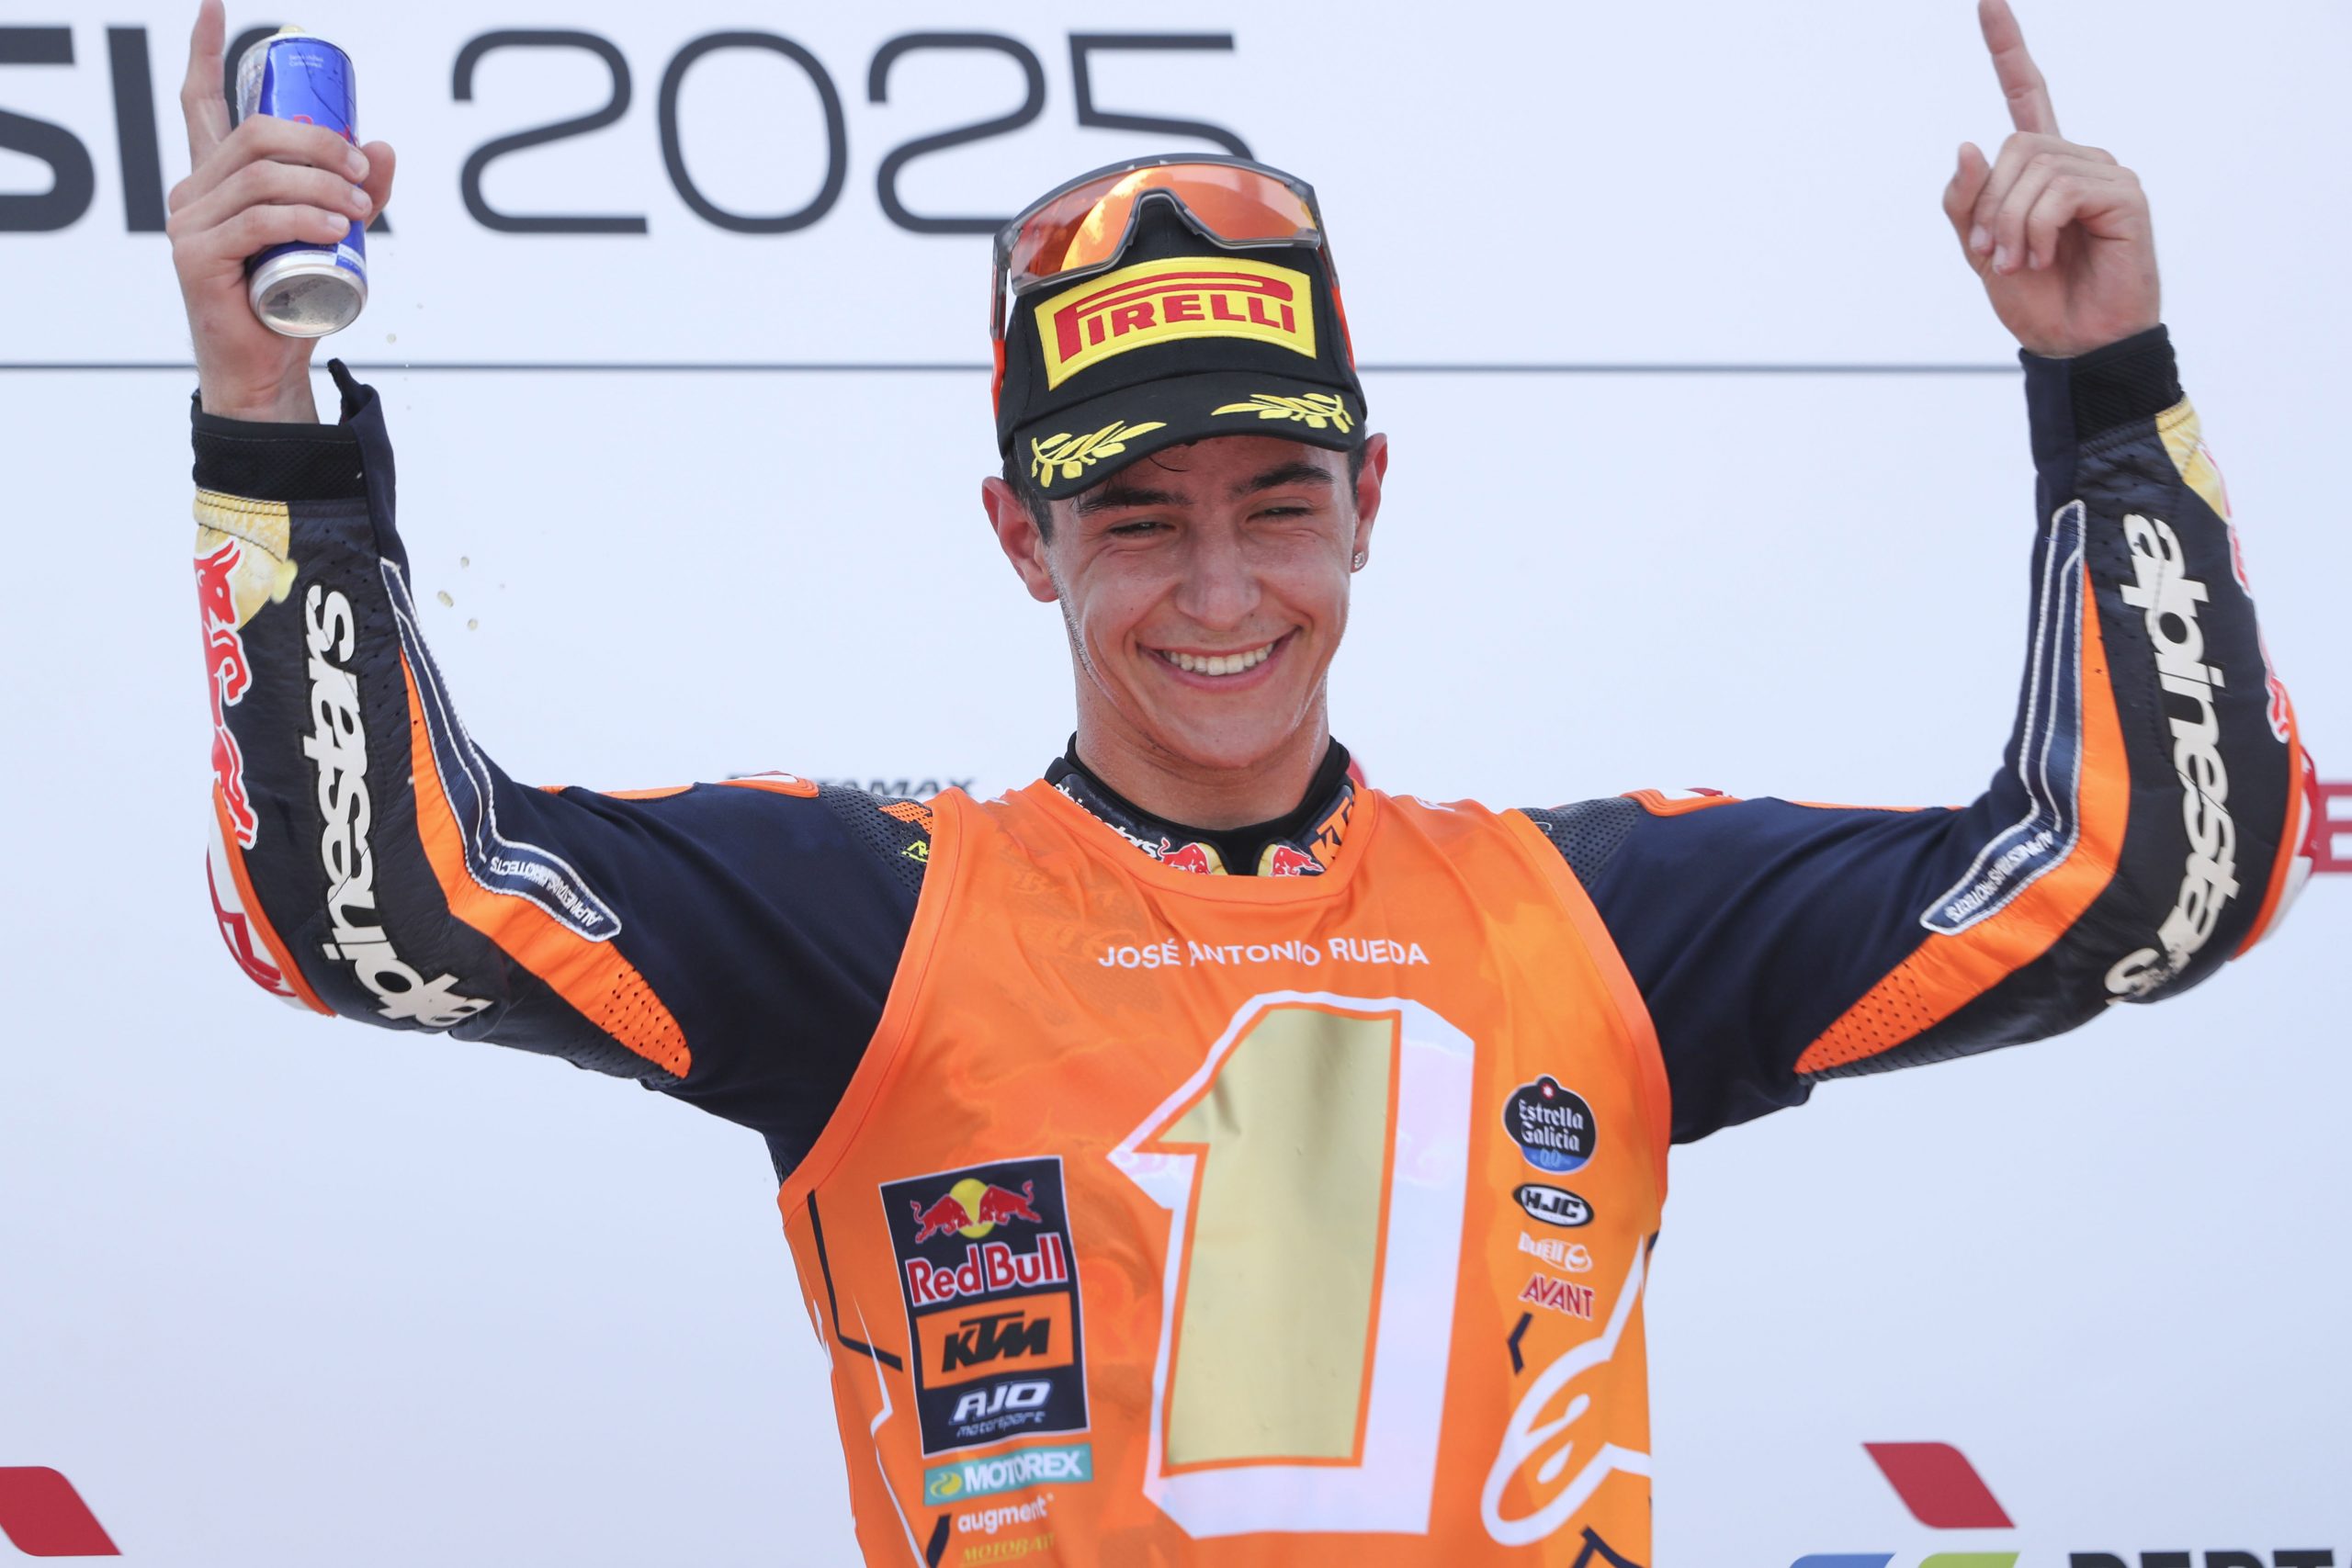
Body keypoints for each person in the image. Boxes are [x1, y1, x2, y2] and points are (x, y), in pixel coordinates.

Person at [170, 0, 2319, 1561]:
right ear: (1022, 538)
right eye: (1134, 520)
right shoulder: (878, 913)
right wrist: (267, 409)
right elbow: (373, 903)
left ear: (1370, 497)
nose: (1217, 592)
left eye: (1276, 503)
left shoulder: (1584, 920)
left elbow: (2138, 880)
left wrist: (2099, 384)